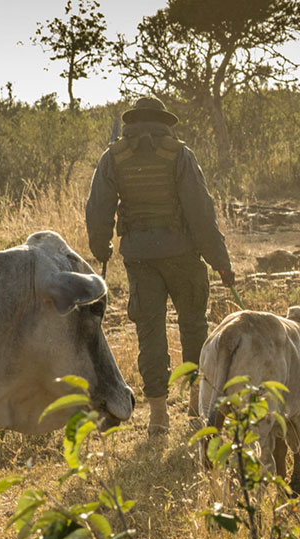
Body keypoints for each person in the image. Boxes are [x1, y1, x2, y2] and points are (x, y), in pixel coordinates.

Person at [86, 96, 235, 437]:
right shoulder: (179, 154)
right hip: (183, 255)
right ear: (163, 122)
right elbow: (201, 212)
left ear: (133, 122)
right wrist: (221, 262)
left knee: (149, 333)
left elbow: (97, 209)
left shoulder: (114, 157)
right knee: (194, 329)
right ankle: (196, 411)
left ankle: (158, 416)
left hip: (139, 258)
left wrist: (102, 247)